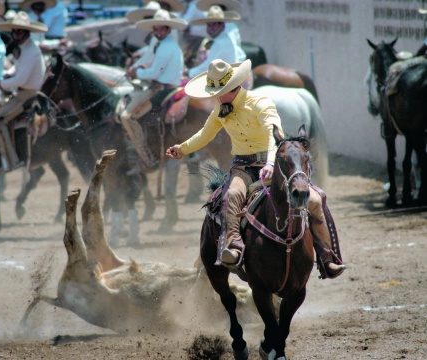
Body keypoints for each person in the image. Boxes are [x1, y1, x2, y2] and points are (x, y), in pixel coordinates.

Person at [166, 58, 346, 278]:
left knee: (316, 200)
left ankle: (327, 257)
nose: (216, 96)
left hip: (273, 164)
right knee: (232, 194)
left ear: (231, 88)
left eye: (218, 91)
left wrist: (270, 163)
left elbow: (274, 133)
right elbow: (205, 134)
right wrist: (182, 149)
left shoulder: (260, 102)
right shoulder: (220, 110)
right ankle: (233, 245)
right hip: (243, 165)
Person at [120, 9, 187, 175]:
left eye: (161, 29)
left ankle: (147, 159)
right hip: (167, 85)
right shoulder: (165, 44)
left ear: (168, 29)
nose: (158, 32)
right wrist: (140, 68)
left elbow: (155, 72)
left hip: (161, 88)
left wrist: (136, 72)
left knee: (126, 117)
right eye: (155, 29)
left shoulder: (165, 46)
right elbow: (153, 64)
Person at [0, 11, 47, 173]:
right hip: (22, 91)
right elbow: (19, 69)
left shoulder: (31, 51)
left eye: (19, 31)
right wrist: (8, 75)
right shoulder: (24, 48)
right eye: (14, 31)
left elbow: (21, 79)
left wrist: (1, 83)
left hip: (28, 94)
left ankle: (10, 160)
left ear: (27, 32)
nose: (16, 34)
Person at [186, 6, 244, 78]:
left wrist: (189, 72)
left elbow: (208, 67)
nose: (211, 28)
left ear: (222, 25)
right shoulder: (224, 39)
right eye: (209, 25)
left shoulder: (221, 42)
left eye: (214, 24)